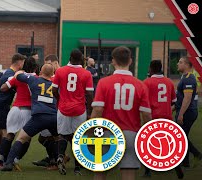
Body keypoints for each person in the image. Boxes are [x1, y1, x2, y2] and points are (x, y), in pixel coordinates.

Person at [91, 46, 151, 180]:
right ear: (130, 61)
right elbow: (146, 115)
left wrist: (89, 131)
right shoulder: (140, 85)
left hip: (107, 132)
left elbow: (98, 110)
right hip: (131, 133)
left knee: (100, 171)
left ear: (113, 61)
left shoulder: (104, 82)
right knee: (128, 173)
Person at [0, 64, 59, 171]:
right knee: (58, 139)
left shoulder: (34, 80)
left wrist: (18, 72)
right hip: (54, 117)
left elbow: (18, 76)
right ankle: (59, 161)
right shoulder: (55, 82)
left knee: (21, 138)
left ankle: (8, 163)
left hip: (39, 116)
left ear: (40, 72)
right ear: (52, 74)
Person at [52, 49, 94, 175]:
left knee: (63, 135)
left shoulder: (60, 71)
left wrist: (59, 100)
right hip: (79, 109)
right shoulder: (86, 73)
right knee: (78, 138)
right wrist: (89, 111)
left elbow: (54, 90)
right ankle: (76, 168)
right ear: (81, 59)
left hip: (63, 108)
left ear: (70, 57)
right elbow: (90, 94)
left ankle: (60, 156)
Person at [0, 57, 39, 170]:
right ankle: (15, 160)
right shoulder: (38, 79)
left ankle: (0, 160)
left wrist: (14, 82)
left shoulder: (18, 77)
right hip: (29, 111)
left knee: (9, 135)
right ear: (36, 67)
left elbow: (3, 88)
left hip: (15, 109)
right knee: (26, 138)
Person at [143, 60, 183, 178]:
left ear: (150, 69)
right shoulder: (169, 82)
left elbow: (143, 102)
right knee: (169, 145)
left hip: (152, 117)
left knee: (146, 144)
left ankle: (147, 171)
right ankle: (177, 168)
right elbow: (175, 102)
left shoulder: (147, 82)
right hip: (167, 116)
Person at [0, 53, 26, 168]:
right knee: (7, 132)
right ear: (19, 62)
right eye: (23, 62)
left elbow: (0, 86)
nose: (23, 64)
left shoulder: (8, 72)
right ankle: (2, 159)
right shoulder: (12, 75)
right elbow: (5, 86)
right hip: (0, 105)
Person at [33, 54, 70, 170]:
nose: (46, 66)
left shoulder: (61, 74)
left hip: (57, 111)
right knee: (50, 137)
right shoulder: (59, 73)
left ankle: (56, 160)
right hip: (56, 110)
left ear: (54, 63)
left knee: (51, 137)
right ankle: (54, 158)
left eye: (48, 64)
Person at [175, 57, 202, 168]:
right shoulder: (184, 77)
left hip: (188, 112)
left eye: (180, 62)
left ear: (187, 65)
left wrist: (181, 114)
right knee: (182, 136)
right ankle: (185, 162)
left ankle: (197, 154)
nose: (177, 64)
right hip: (186, 111)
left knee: (180, 137)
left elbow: (187, 98)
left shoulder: (189, 79)